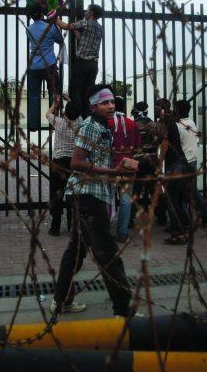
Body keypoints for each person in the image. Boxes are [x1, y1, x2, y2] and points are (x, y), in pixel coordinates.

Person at [51, 84, 139, 317]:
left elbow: (97, 160)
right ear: (93, 106)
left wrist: (118, 169)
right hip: (88, 196)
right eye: (104, 102)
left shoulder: (103, 127)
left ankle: (61, 300)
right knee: (107, 252)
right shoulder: (91, 126)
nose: (110, 106)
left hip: (89, 194)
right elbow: (76, 163)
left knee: (76, 251)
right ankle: (124, 308)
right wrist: (113, 172)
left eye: (111, 102)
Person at [55, 4, 103, 118]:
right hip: (94, 65)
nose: (85, 12)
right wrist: (75, 30)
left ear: (91, 13)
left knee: (75, 90)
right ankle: (86, 116)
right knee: (87, 92)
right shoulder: (100, 27)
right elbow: (83, 40)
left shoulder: (85, 23)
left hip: (82, 62)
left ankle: (75, 116)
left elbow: (66, 26)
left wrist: (54, 18)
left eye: (87, 10)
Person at [46, 96, 81, 236]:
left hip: (59, 162)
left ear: (65, 113)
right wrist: (70, 101)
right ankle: (72, 225)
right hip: (73, 163)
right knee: (72, 194)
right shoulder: (79, 123)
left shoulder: (59, 123)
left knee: (57, 194)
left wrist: (55, 104)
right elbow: (77, 113)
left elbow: (48, 114)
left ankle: (55, 227)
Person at [174, 99, 207, 226]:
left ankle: (186, 220)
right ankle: (203, 214)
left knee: (180, 193)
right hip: (193, 160)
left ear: (178, 110)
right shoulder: (191, 123)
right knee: (190, 191)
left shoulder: (178, 126)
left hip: (182, 161)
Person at [26, 1, 64, 131]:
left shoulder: (28, 29)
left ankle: (33, 125)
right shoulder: (51, 27)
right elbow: (60, 40)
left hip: (33, 67)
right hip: (49, 64)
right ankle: (53, 123)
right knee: (54, 94)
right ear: (42, 14)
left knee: (34, 95)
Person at [155, 98, 188, 245]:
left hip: (175, 165)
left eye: (156, 107)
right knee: (177, 200)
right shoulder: (170, 121)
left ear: (160, 108)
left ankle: (178, 234)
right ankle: (181, 230)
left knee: (172, 201)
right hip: (181, 163)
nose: (155, 110)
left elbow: (165, 144)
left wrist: (159, 163)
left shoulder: (166, 121)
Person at [109, 96, 142, 243]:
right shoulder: (132, 125)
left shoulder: (108, 123)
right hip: (128, 166)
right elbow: (137, 147)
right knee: (126, 200)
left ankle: (106, 230)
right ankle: (122, 233)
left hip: (111, 167)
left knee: (108, 199)